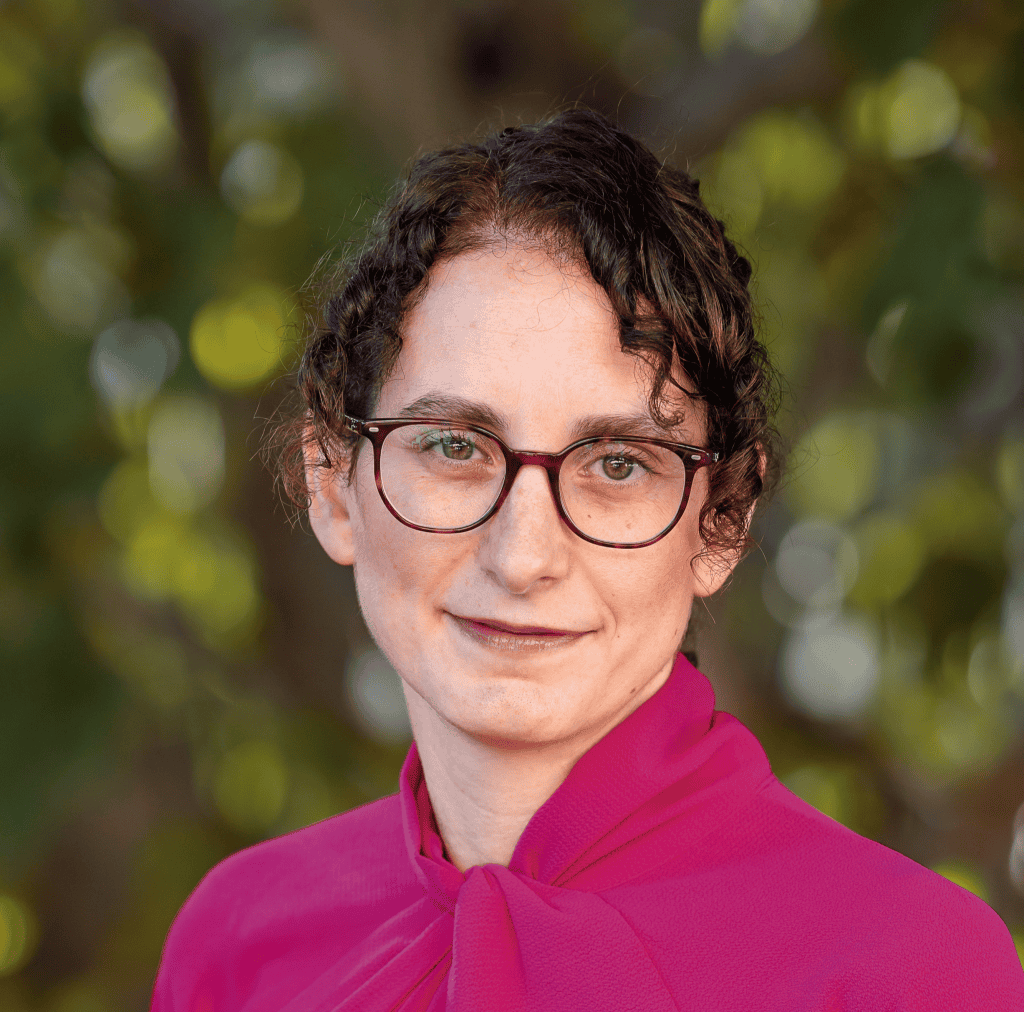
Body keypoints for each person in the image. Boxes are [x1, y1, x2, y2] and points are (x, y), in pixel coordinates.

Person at [150, 108, 1024, 1011]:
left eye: (617, 464)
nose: (523, 556)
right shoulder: (237, 940)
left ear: (722, 521)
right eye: (453, 446)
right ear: (333, 485)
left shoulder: (910, 967)